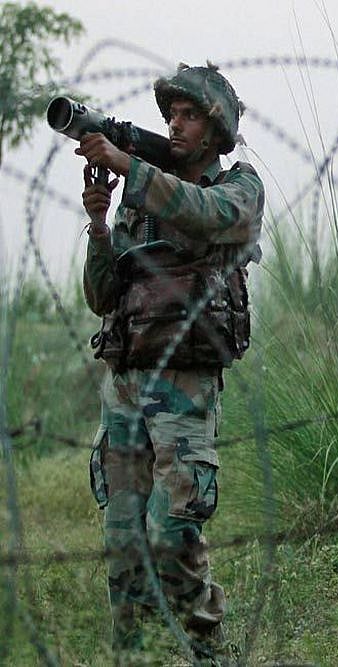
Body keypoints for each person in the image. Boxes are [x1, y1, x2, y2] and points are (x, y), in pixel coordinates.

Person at [80, 62, 263, 662]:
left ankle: (204, 645)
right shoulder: (144, 196)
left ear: (215, 130)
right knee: (123, 538)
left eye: (188, 116)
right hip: (126, 385)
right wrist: (100, 226)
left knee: (172, 530)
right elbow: (102, 297)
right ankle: (133, 652)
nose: (176, 126)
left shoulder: (236, 187)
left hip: (183, 385)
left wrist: (128, 165)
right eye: (171, 116)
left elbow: (203, 214)